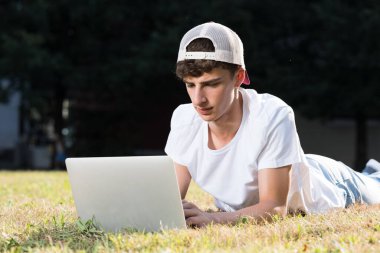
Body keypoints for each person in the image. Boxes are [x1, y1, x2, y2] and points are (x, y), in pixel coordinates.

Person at [165, 22, 380, 228]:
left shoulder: (272, 115)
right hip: (293, 164)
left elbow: (275, 208)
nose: (198, 99)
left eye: (211, 84)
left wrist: (213, 219)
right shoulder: (185, 120)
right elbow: (170, 201)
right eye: (190, 85)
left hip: (332, 184)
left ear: (238, 77)